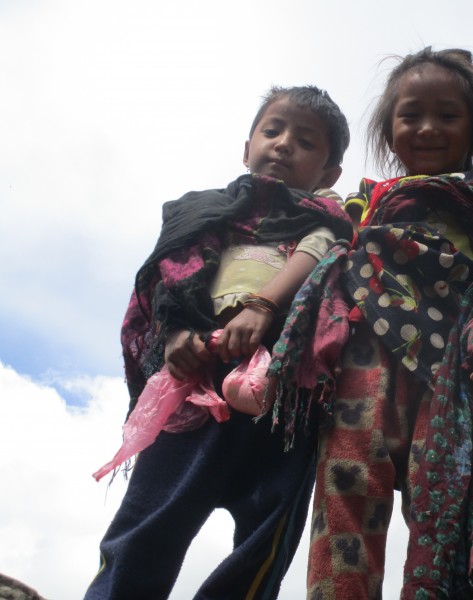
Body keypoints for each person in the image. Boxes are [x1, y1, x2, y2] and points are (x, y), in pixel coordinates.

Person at [260, 47, 473, 599]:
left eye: (447, 115)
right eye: (411, 115)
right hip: (368, 348)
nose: (428, 127)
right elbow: (341, 249)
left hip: (457, 357)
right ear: (389, 129)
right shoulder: (368, 195)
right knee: (348, 479)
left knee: (446, 496)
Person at [84, 85, 353, 600]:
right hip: (196, 379)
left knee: (264, 531)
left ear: (329, 173)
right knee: (150, 518)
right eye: (272, 131)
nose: (283, 144)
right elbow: (169, 278)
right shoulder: (205, 213)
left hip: (283, 391)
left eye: (305, 141)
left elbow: (322, 252)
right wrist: (177, 333)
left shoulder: (330, 221)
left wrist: (263, 305)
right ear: (247, 147)